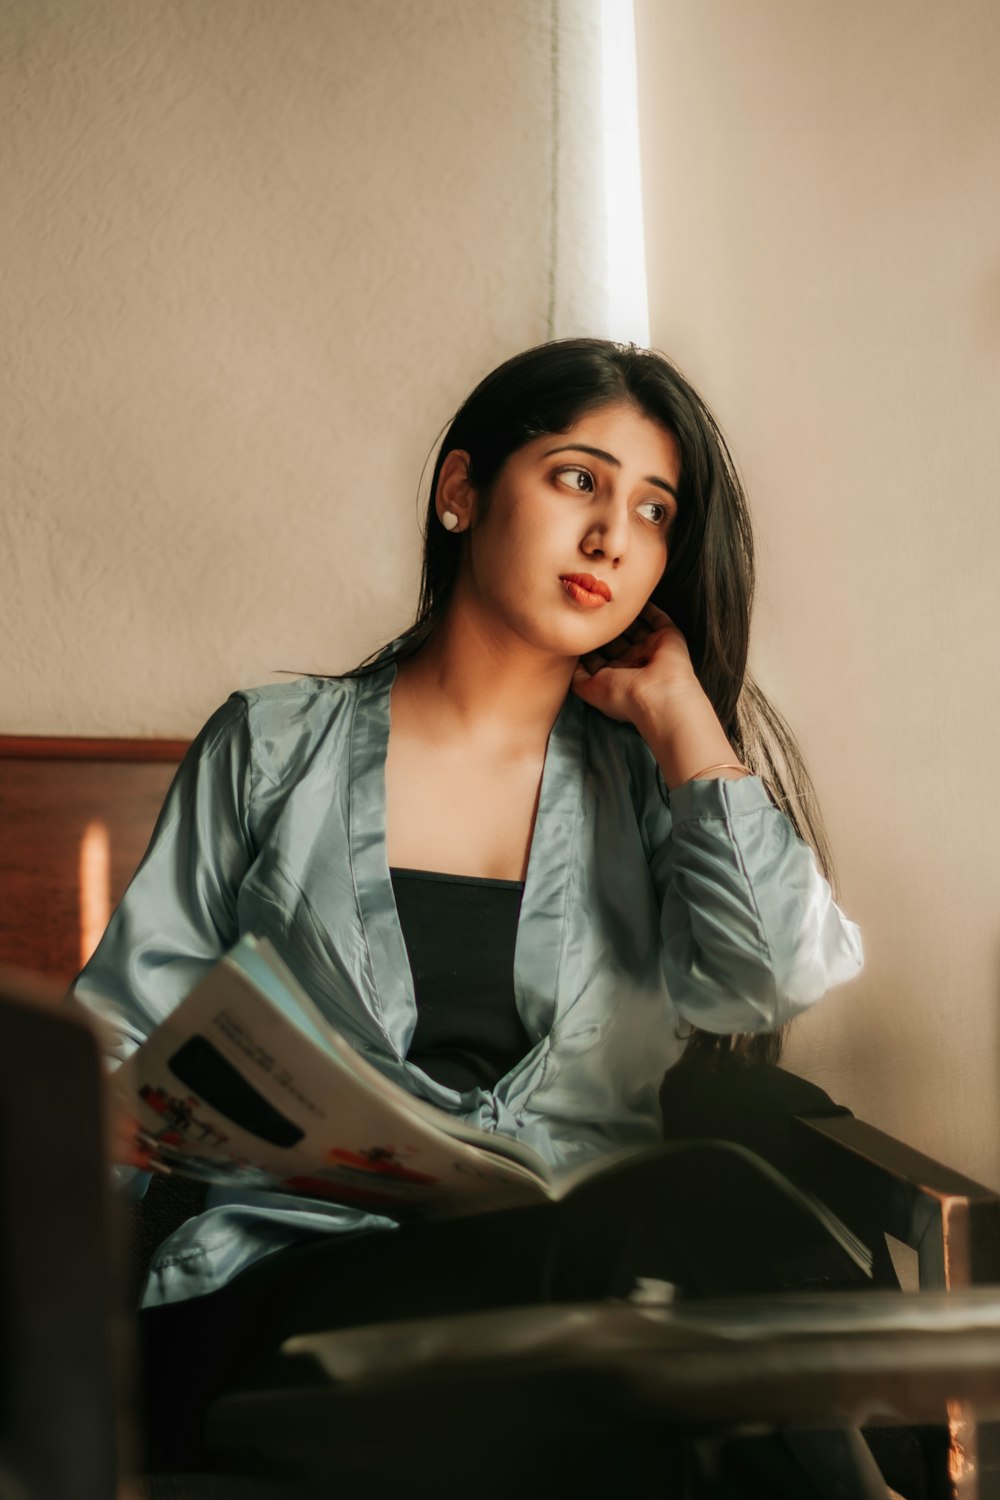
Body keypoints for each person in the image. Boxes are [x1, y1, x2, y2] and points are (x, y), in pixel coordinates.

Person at [70, 337, 865, 1479]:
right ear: (461, 491)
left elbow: (774, 973)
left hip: (571, 1322)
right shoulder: (272, 746)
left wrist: (688, 720)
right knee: (680, 1247)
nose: (611, 537)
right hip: (286, 1300)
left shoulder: (654, 783)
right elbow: (119, 1045)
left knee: (647, 1360)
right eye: (579, 479)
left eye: (653, 512)